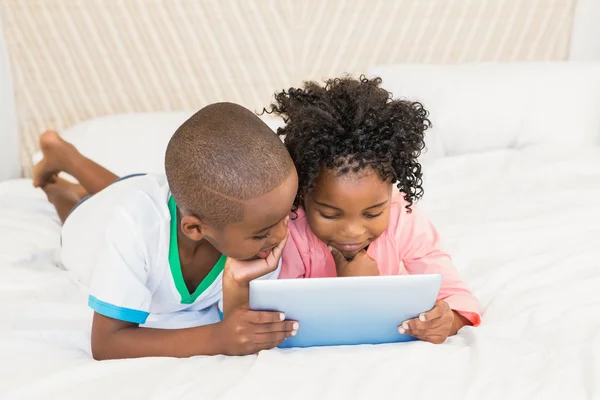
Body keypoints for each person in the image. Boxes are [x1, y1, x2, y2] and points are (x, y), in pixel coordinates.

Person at [33, 103, 299, 359]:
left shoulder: (250, 222)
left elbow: (239, 324)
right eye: (263, 233)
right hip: (93, 222)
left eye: (288, 214)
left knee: (128, 188)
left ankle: (66, 156)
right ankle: (56, 184)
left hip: (144, 190)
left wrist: (236, 283)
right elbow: (106, 342)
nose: (281, 235)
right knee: (82, 207)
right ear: (195, 228)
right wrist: (217, 338)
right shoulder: (134, 227)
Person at [269, 76, 481, 344]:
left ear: (391, 192)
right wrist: (359, 291)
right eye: (330, 214)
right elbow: (275, 317)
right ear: (303, 195)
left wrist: (448, 320)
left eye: (372, 213)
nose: (352, 232)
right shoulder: (291, 232)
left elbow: (458, 296)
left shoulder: (403, 219)